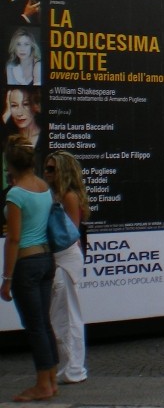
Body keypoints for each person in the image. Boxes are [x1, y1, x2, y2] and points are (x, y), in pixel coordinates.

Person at [1, 135, 58, 401]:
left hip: (26, 262)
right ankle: (51, 379)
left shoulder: (16, 194)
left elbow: (13, 238)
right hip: (47, 260)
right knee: (44, 322)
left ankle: (42, 384)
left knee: (34, 325)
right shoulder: (43, 187)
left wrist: (7, 277)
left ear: (10, 163)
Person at [43, 151, 90, 384]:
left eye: (52, 169)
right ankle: (69, 366)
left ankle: (73, 368)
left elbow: (70, 233)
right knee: (59, 314)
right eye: (46, 168)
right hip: (59, 257)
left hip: (66, 257)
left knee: (67, 314)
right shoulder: (55, 195)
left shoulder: (68, 196)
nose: (46, 172)